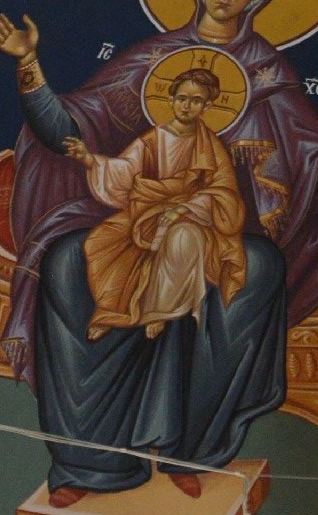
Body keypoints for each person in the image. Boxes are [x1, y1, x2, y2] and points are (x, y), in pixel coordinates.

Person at [0, 0, 318, 507]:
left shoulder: (269, 77)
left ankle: (190, 449)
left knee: (255, 273)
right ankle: (89, 460)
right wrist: (29, 64)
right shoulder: (149, 61)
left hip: (222, 223)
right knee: (67, 262)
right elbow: (65, 133)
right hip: (130, 212)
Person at [69, 60, 247, 339]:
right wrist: (89, 159)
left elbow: (224, 192)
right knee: (99, 241)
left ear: (207, 106)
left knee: (181, 240)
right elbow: (125, 169)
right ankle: (110, 310)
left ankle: (160, 312)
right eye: (182, 98)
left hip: (192, 217)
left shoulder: (211, 146)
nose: (186, 106)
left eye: (196, 101)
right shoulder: (153, 139)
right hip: (146, 211)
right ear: (171, 100)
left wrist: (184, 209)